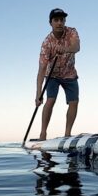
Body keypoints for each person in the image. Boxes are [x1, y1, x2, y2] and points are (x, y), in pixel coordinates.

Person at [36, 8, 80, 140]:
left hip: (70, 73)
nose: (59, 23)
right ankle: (43, 134)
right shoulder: (47, 43)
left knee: (74, 102)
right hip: (52, 75)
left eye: (62, 20)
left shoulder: (72, 32)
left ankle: (67, 134)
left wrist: (65, 49)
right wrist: (38, 94)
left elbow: (77, 47)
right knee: (50, 100)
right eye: (56, 20)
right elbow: (41, 70)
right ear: (51, 23)